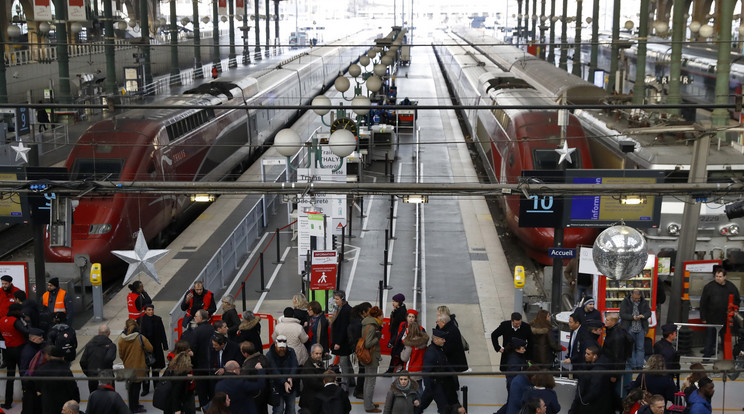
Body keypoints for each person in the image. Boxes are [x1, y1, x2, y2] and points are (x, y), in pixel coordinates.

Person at [417, 329, 462, 414]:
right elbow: (426, 372)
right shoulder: (431, 353)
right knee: (444, 408)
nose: (444, 341)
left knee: (422, 405)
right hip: (435, 386)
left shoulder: (439, 349)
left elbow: (445, 364)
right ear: (436, 339)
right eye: (442, 339)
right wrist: (430, 387)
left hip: (440, 385)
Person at [700, 266, 740, 359]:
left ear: (725, 277)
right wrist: (703, 317)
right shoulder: (709, 287)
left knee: (725, 338)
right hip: (711, 318)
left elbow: (737, 300)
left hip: (725, 319)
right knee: (710, 338)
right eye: (716, 276)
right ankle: (707, 356)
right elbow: (703, 303)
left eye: (720, 276)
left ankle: (727, 357)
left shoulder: (731, 287)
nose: (718, 278)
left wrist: (734, 312)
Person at [184, 308, 217, 410]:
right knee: (212, 389)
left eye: (196, 316)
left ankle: (204, 408)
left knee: (202, 390)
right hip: (212, 364)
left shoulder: (196, 331)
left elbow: (193, 348)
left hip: (200, 366)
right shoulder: (212, 328)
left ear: (201, 318)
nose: (194, 318)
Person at [119, 318, 154, 413]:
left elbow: (121, 355)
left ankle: (131, 406)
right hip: (139, 367)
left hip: (128, 367)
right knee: (137, 388)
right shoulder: (140, 338)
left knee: (130, 388)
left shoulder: (121, 340)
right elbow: (150, 348)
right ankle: (135, 406)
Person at [35, 346, 80, 414]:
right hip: (63, 405)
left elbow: (38, 387)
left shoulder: (41, 369)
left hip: (47, 404)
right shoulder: (65, 370)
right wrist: (76, 400)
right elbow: (72, 387)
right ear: (62, 357)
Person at [569, 346, 612, 414]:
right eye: (586, 353)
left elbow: (594, 391)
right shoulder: (588, 366)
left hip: (593, 405)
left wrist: (584, 401)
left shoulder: (597, 370)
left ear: (595, 356)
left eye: (588, 354)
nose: (585, 355)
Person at [137, 303, 169, 395]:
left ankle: (156, 387)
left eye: (152, 310)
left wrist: (165, 345)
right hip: (145, 348)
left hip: (156, 347)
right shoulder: (140, 320)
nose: (151, 312)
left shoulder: (158, 319)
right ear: (145, 310)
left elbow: (162, 332)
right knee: (145, 370)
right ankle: (145, 389)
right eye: (149, 310)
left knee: (156, 369)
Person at [1, 303, 28, 409]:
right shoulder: (16, 321)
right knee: (23, 375)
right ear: (16, 311)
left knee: (10, 377)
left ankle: (8, 403)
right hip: (20, 350)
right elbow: (26, 331)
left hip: (8, 351)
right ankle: (26, 398)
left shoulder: (2, 320)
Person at [266, 334, 299, 414]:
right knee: (278, 410)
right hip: (277, 387)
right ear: (276, 344)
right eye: (280, 347)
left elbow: (295, 365)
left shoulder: (291, 351)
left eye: (283, 347)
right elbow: (274, 371)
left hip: (290, 385)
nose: (282, 349)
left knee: (291, 409)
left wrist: (290, 377)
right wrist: (284, 382)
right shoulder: (269, 355)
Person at [80, 324, 117, 393]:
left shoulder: (89, 345)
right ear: (109, 333)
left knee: (94, 397)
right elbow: (109, 358)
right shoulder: (111, 346)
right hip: (106, 377)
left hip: (93, 376)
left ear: (98, 332)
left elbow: (83, 361)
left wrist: (89, 373)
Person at [619, 289, 651, 369]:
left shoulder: (644, 302)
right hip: (629, 327)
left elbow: (649, 313)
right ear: (631, 295)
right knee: (631, 348)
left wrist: (643, 316)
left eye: (638, 298)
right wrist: (632, 317)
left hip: (640, 327)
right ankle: (633, 365)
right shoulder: (625, 302)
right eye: (635, 298)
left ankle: (639, 365)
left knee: (640, 347)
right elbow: (622, 314)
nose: (636, 300)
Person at [359, 306, 383, 412]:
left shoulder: (366, 323)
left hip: (367, 356)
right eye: (382, 315)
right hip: (371, 357)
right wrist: (377, 337)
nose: (383, 317)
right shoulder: (373, 327)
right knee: (370, 382)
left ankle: (368, 403)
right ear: (378, 316)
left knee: (367, 380)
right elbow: (368, 343)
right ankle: (369, 406)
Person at [162, 341, 196, 414]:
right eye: (188, 349)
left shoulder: (175, 361)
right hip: (183, 395)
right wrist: (176, 409)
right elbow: (176, 391)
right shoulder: (181, 368)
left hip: (184, 392)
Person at [330, 290, 354, 389]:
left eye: (337, 299)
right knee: (347, 362)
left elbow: (343, 328)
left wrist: (338, 342)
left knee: (344, 365)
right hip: (344, 342)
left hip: (343, 343)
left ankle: (345, 387)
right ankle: (352, 381)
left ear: (342, 299)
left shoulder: (345, 311)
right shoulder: (343, 308)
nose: (335, 301)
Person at [19, 327, 45, 414]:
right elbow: (23, 370)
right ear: (33, 339)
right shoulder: (28, 352)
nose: (42, 339)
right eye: (40, 338)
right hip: (31, 387)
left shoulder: (37, 347)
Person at [240, 341, 271, 414]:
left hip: (253, 396)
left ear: (245, 354)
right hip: (265, 393)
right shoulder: (263, 358)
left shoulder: (247, 366)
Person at [349, 301, 372, 398]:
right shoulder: (359, 323)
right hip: (360, 349)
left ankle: (359, 389)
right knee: (362, 370)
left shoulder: (355, 319)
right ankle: (359, 390)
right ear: (364, 312)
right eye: (369, 312)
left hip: (357, 348)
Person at [400, 321, 428, 390]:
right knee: (419, 387)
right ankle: (420, 400)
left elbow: (404, 358)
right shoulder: (423, 342)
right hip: (421, 368)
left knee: (411, 389)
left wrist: (402, 352)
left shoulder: (409, 344)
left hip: (411, 369)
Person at [299, 344, 326, 412]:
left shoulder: (319, 363)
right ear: (311, 353)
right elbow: (313, 383)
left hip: (316, 398)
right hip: (309, 401)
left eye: (320, 353)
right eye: (316, 353)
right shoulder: (308, 366)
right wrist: (327, 385)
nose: (319, 355)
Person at [386, 293, 408, 372]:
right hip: (396, 336)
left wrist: (392, 340)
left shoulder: (401, 313)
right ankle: (398, 368)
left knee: (395, 353)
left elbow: (398, 328)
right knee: (397, 354)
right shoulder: (398, 310)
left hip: (397, 336)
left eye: (394, 301)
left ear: (399, 302)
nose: (393, 303)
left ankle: (391, 370)